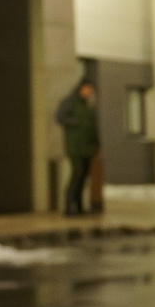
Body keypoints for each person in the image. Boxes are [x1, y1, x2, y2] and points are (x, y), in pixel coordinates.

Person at [56, 80, 100, 216]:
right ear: (81, 88)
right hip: (76, 147)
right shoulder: (70, 102)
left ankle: (80, 206)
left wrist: (96, 145)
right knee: (77, 174)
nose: (90, 92)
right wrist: (76, 122)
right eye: (88, 89)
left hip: (88, 148)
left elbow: (93, 127)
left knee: (84, 176)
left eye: (92, 90)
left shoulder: (87, 105)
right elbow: (60, 117)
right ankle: (69, 206)